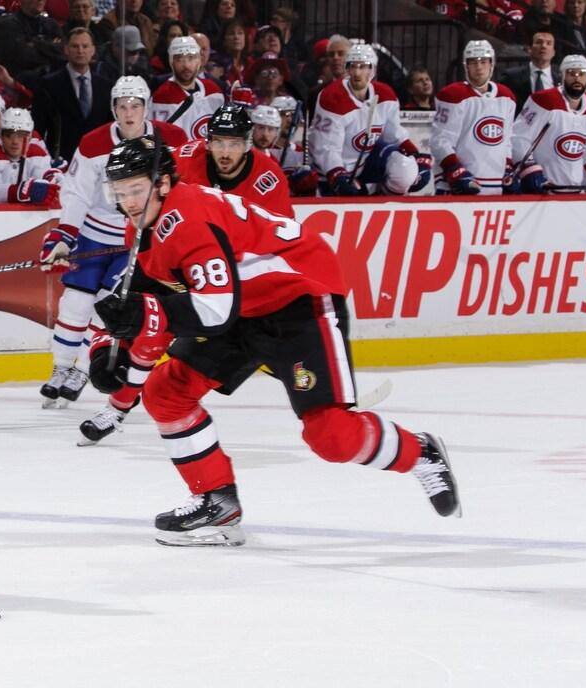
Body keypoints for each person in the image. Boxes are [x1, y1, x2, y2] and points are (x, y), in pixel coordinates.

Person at [91, 136, 461, 546]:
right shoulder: (144, 224)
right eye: (120, 192)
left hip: (298, 300)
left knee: (331, 436)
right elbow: (141, 296)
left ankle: (420, 452)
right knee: (167, 392)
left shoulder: (188, 219)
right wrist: (109, 350)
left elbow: (212, 311)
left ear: (162, 183)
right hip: (243, 307)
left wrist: (145, 316)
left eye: (136, 189)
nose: (128, 202)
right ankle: (217, 500)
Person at [77, 105, 294, 444]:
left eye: (234, 143)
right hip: (180, 257)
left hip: (234, 275)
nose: (225, 152)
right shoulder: (183, 160)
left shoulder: (269, 178)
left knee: (264, 341)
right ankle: (117, 407)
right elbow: (147, 189)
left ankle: (308, 377)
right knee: (139, 316)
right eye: (218, 142)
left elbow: (279, 239)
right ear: (207, 142)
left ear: (248, 144)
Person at [38, 75, 187, 412]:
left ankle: (81, 370)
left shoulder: (172, 139)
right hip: (94, 232)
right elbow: (76, 192)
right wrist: (64, 235)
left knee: (107, 304)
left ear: (146, 107)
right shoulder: (94, 143)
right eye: (122, 106)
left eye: (135, 105)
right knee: (75, 303)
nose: (129, 113)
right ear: (113, 109)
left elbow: (183, 184)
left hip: (137, 237)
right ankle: (61, 367)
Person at [309, 43, 431, 197]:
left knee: (405, 169)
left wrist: (416, 156)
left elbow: (394, 134)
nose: (357, 73)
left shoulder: (386, 95)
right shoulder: (332, 97)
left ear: (373, 70)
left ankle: (383, 201)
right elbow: (326, 147)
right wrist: (337, 174)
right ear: (347, 69)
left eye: (363, 67)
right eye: (353, 66)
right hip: (334, 168)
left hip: (367, 162)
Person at [431, 40, 518, 195]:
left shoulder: (507, 97)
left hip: (495, 184)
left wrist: (508, 166)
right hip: (458, 184)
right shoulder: (452, 95)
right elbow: (440, 140)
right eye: (473, 62)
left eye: (483, 62)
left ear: (491, 64)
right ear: (466, 66)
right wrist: (454, 168)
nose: (479, 67)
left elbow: (507, 140)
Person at [512, 54, 586, 192]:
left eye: (581, 74)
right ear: (562, 76)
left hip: (576, 190)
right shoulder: (544, 100)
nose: (577, 78)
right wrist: (530, 169)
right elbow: (518, 137)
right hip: (544, 189)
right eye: (571, 74)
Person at [33, 27, 114, 162]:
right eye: (75, 46)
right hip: (61, 161)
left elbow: (110, 127)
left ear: (93, 50)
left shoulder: (106, 86)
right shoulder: (48, 85)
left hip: (97, 160)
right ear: (66, 50)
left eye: (85, 46)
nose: (80, 51)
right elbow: (38, 129)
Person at [150, 36, 225, 140]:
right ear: (172, 62)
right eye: (179, 59)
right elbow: (162, 141)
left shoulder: (213, 90)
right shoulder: (162, 97)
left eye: (191, 58)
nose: (186, 65)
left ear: (198, 61)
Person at [498, 31, 560, 114]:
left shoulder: (560, 82)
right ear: (529, 49)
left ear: (553, 52)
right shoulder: (511, 77)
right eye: (539, 42)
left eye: (548, 43)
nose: (543, 46)